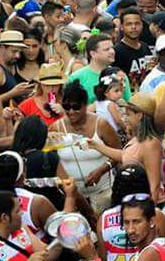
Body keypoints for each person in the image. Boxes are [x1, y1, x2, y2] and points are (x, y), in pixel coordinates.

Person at [50, 80, 122, 214]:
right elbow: (51, 160)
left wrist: (101, 170)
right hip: (72, 198)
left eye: (76, 107)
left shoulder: (101, 124)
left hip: (102, 194)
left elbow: (119, 153)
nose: (71, 111)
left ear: (85, 105)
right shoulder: (56, 128)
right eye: (66, 107)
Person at [67, 32, 131, 105]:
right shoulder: (76, 78)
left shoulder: (119, 75)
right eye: (107, 49)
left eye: (112, 48)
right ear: (93, 54)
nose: (112, 51)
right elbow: (71, 108)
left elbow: (129, 103)